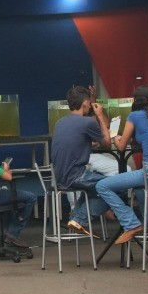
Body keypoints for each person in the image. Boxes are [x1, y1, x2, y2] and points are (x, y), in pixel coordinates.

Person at [94, 86, 148, 244]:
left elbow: (121, 146)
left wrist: (114, 136)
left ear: (135, 100)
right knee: (139, 188)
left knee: (102, 186)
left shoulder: (135, 116)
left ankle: (130, 223)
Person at [51, 86, 114, 233]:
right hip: (76, 175)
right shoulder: (87, 122)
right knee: (115, 187)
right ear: (85, 103)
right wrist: (100, 116)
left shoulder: (60, 122)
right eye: (89, 103)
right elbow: (107, 144)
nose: (90, 106)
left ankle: (75, 218)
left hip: (59, 177)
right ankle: (80, 219)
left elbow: (76, 142)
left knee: (94, 191)